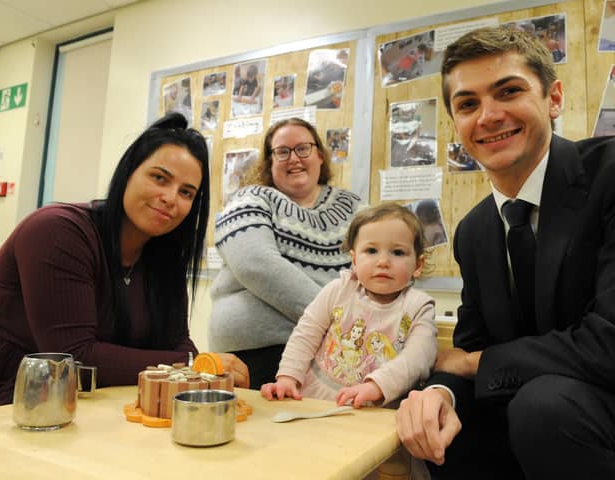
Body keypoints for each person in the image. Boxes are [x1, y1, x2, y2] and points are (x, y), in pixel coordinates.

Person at [395, 26, 615, 479]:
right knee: (443, 428)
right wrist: (441, 394)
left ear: (553, 99)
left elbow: (609, 341)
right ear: (456, 124)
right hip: (539, 409)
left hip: (591, 408)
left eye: (508, 91)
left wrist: (478, 364)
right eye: (468, 104)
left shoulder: (609, 176)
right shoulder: (474, 231)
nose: (489, 116)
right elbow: (469, 346)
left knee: (541, 407)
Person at [0, 113, 249, 409]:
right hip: (1, 395)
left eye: (186, 192)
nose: (171, 198)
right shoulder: (57, 232)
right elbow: (75, 358)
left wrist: (205, 367)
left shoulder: (163, 255)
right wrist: (196, 365)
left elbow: (176, 343)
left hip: (91, 401)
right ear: (128, 172)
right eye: (159, 178)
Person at [209, 117, 363, 390]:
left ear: (319, 155)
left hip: (338, 355)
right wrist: (340, 325)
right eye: (282, 152)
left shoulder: (355, 209)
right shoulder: (249, 199)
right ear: (269, 162)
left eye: (303, 148)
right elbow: (256, 265)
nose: (294, 158)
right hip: (255, 357)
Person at [260, 203, 437, 408]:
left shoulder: (419, 306)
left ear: (418, 265)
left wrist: (377, 386)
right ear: (354, 259)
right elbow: (305, 335)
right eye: (371, 250)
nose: (383, 261)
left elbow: (418, 358)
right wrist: (288, 378)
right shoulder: (338, 290)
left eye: (397, 252)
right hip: (313, 398)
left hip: (377, 408)